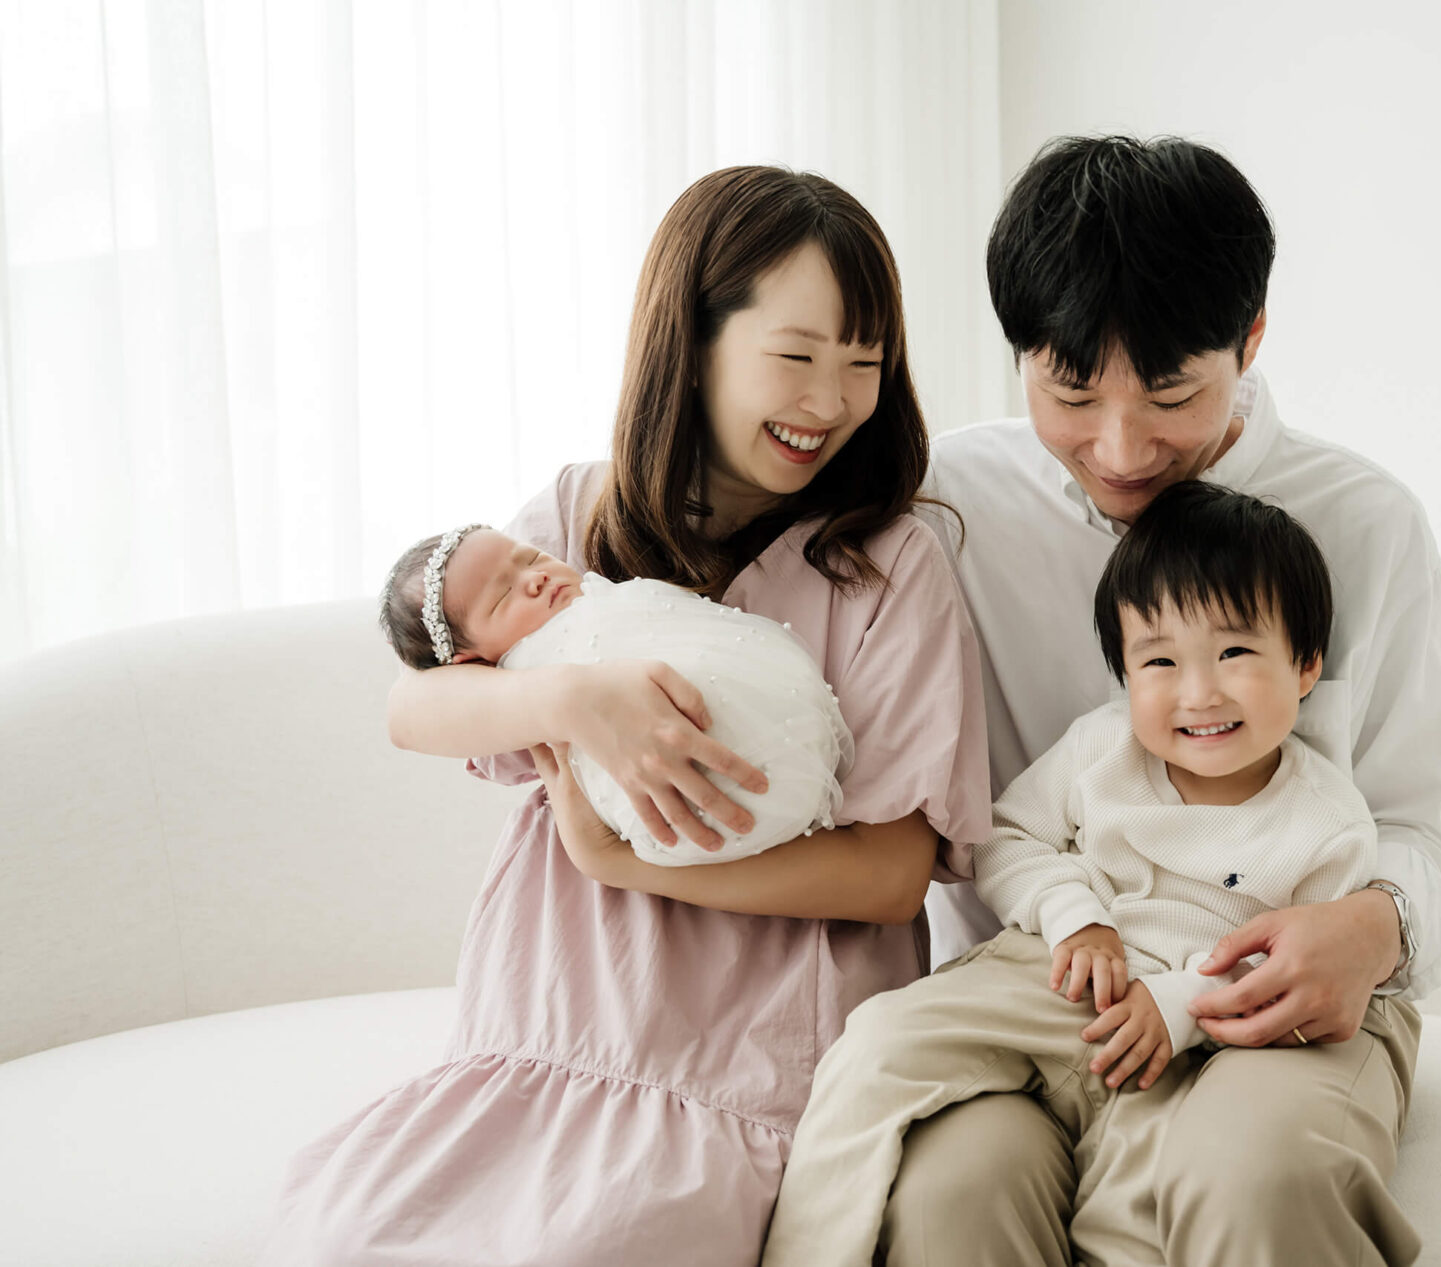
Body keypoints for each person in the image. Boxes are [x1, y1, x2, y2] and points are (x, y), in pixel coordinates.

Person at [261, 165, 991, 1266]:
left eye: (864, 365)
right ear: (690, 341)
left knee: (603, 1240)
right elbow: (416, 702)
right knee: (350, 1230)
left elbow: (892, 871)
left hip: (749, 1051)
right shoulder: (572, 517)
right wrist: (569, 698)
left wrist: (630, 860)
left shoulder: (891, 567)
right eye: (794, 356)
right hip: (551, 1014)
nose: (831, 401)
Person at [893, 135, 1441, 1265]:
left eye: (1168, 394)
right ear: (1019, 359)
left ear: (1248, 343)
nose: (1117, 446)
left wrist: (1376, 927)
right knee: (946, 1195)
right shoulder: (949, 503)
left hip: (1266, 1001)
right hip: (1039, 984)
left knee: (1255, 1181)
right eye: (1068, 392)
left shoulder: (1364, 524)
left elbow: (1410, 834)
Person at [762, 481, 1379, 1266]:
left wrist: (1181, 1000)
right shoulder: (1103, 745)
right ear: (1124, 670)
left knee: (1134, 1202)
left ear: (1305, 666)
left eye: (1234, 651)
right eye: (1159, 660)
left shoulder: (1329, 818)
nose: (1199, 692)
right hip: (1060, 970)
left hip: (1195, 1029)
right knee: (879, 1040)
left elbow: (1294, 967)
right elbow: (1008, 836)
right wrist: (1073, 914)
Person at [375, 525, 853, 864]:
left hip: (777, 728)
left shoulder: (609, 596)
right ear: (471, 662)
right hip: (679, 812)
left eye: (531, 557)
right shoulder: (510, 683)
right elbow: (405, 713)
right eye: (504, 597)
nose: (535, 577)